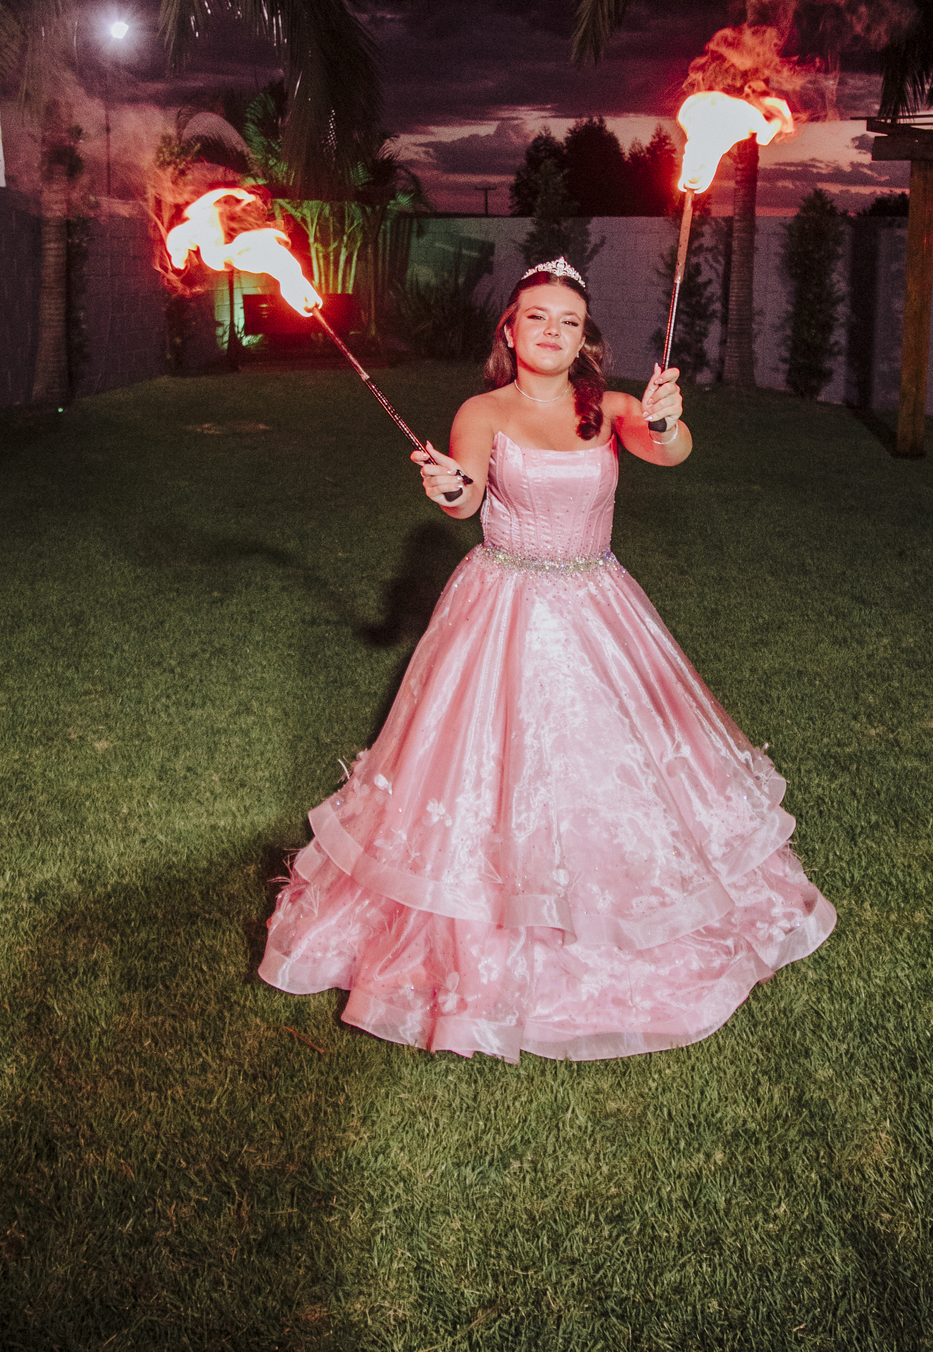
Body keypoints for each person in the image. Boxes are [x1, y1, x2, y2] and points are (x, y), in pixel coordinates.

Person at [259, 255, 835, 1061]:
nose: (552, 331)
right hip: (504, 605)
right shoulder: (483, 410)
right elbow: (465, 497)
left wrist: (668, 420)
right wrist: (447, 486)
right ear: (510, 329)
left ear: (584, 338)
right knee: (492, 771)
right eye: (537, 316)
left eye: (568, 321)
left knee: (617, 766)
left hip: (598, 601)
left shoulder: (612, 408)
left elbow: (669, 452)